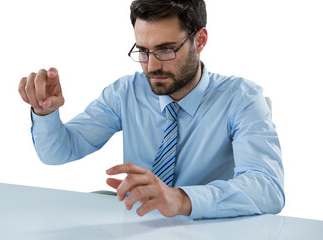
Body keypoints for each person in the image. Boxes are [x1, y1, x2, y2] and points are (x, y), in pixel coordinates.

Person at [18, 0, 285, 219]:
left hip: (207, 226)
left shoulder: (242, 98)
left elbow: (268, 187)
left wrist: (180, 199)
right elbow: (58, 152)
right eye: (143, 51)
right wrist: (45, 113)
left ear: (200, 40)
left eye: (165, 50)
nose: (151, 66)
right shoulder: (126, 92)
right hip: (139, 226)